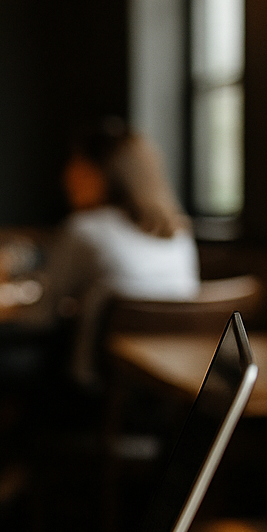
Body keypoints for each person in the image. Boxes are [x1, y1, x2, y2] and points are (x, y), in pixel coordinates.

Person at [40, 119, 200, 384]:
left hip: (98, 386)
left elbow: (41, 316)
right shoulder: (178, 232)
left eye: (76, 165)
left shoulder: (83, 229)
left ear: (100, 172)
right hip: (174, 383)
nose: (66, 176)